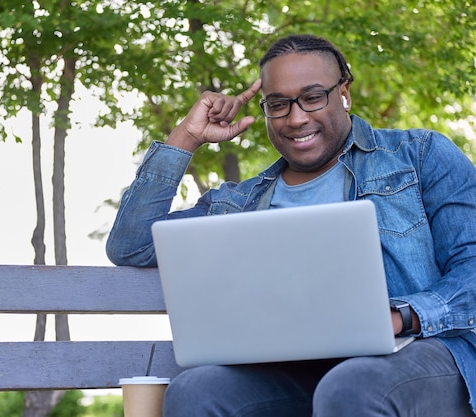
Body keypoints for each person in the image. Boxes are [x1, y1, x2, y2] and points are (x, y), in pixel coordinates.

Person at [106, 34, 476, 416]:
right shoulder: (239, 203)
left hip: (421, 355)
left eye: (313, 97)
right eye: (278, 105)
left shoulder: (419, 156)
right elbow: (130, 245)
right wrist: (186, 137)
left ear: (344, 92)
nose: (296, 118)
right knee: (197, 390)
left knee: (352, 385)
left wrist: (401, 316)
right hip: (294, 371)